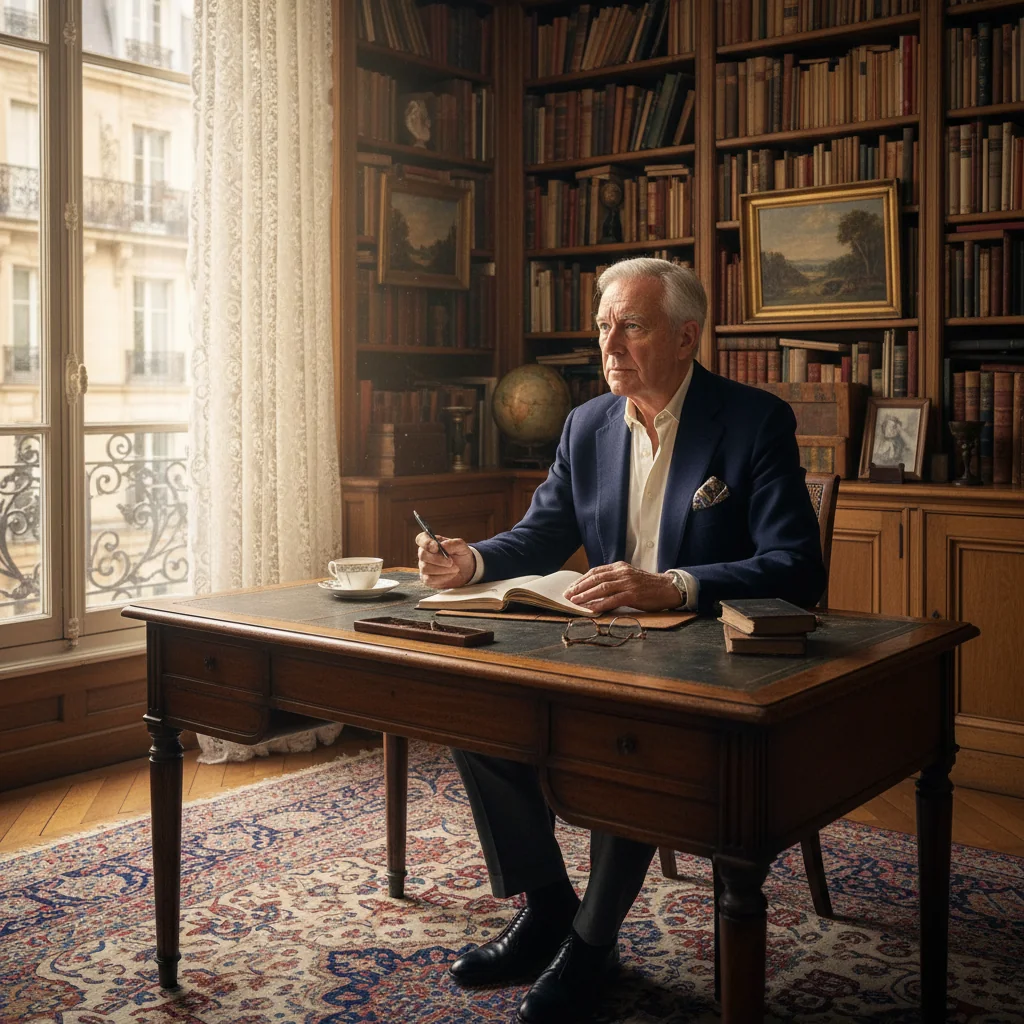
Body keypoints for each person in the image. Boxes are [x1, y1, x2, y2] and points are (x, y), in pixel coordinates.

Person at [415, 258, 825, 1024]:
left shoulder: (753, 420)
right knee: (476, 713)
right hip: (599, 639)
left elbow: (797, 566)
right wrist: (470, 560)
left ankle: (591, 945)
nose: (611, 345)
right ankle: (546, 906)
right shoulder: (587, 423)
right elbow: (545, 532)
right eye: (604, 326)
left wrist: (674, 584)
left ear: (684, 337)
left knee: (622, 738)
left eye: (631, 326)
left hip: (702, 658)